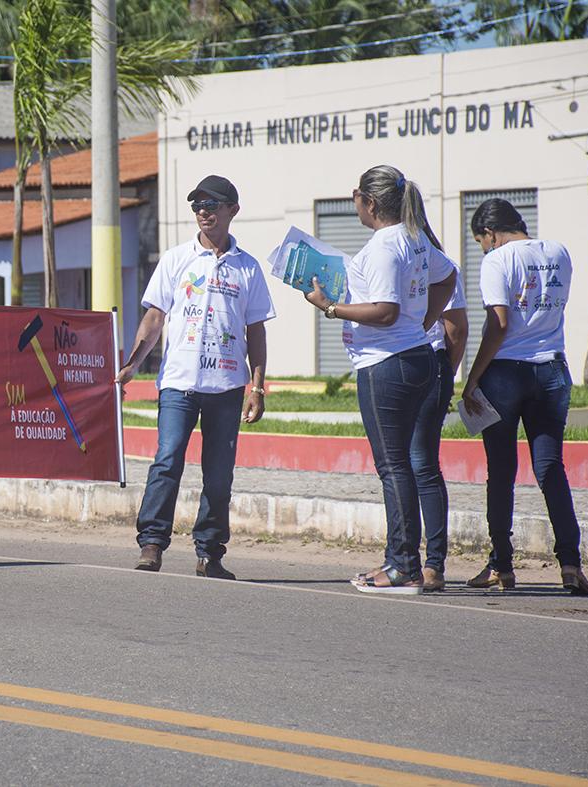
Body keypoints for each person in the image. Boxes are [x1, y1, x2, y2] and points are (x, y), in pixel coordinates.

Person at [303, 165, 456, 593]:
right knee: (405, 464)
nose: (354, 202)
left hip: (386, 363)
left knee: (394, 467)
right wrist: (423, 320)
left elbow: (385, 311)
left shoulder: (385, 245)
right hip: (415, 357)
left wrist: (330, 307)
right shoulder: (413, 237)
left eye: (355, 196)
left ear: (369, 202)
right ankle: (402, 560)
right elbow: (449, 277)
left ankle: (402, 565)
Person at [117, 175, 275, 580]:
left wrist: (257, 386)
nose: (203, 212)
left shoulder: (248, 268)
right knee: (167, 461)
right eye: (197, 206)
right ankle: (151, 544)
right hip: (178, 384)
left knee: (219, 474)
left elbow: (255, 330)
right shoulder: (175, 259)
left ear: (232, 211)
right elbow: (154, 318)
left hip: (226, 387)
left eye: (212, 205)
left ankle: (210, 553)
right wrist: (133, 363)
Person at [461, 198, 588, 595]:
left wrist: (473, 378)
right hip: (552, 369)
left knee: (501, 471)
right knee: (551, 468)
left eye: (482, 241)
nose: (484, 249)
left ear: (491, 233)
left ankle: (501, 565)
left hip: (505, 372)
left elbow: (498, 324)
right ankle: (571, 564)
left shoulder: (497, 261)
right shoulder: (559, 252)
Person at [410, 265, 468, 592]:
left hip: (403, 366)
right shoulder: (438, 263)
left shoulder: (386, 256)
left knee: (411, 465)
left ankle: (414, 561)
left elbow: (456, 329)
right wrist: (448, 373)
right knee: (421, 464)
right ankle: (430, 564)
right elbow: (457, 331)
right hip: (431, 365)